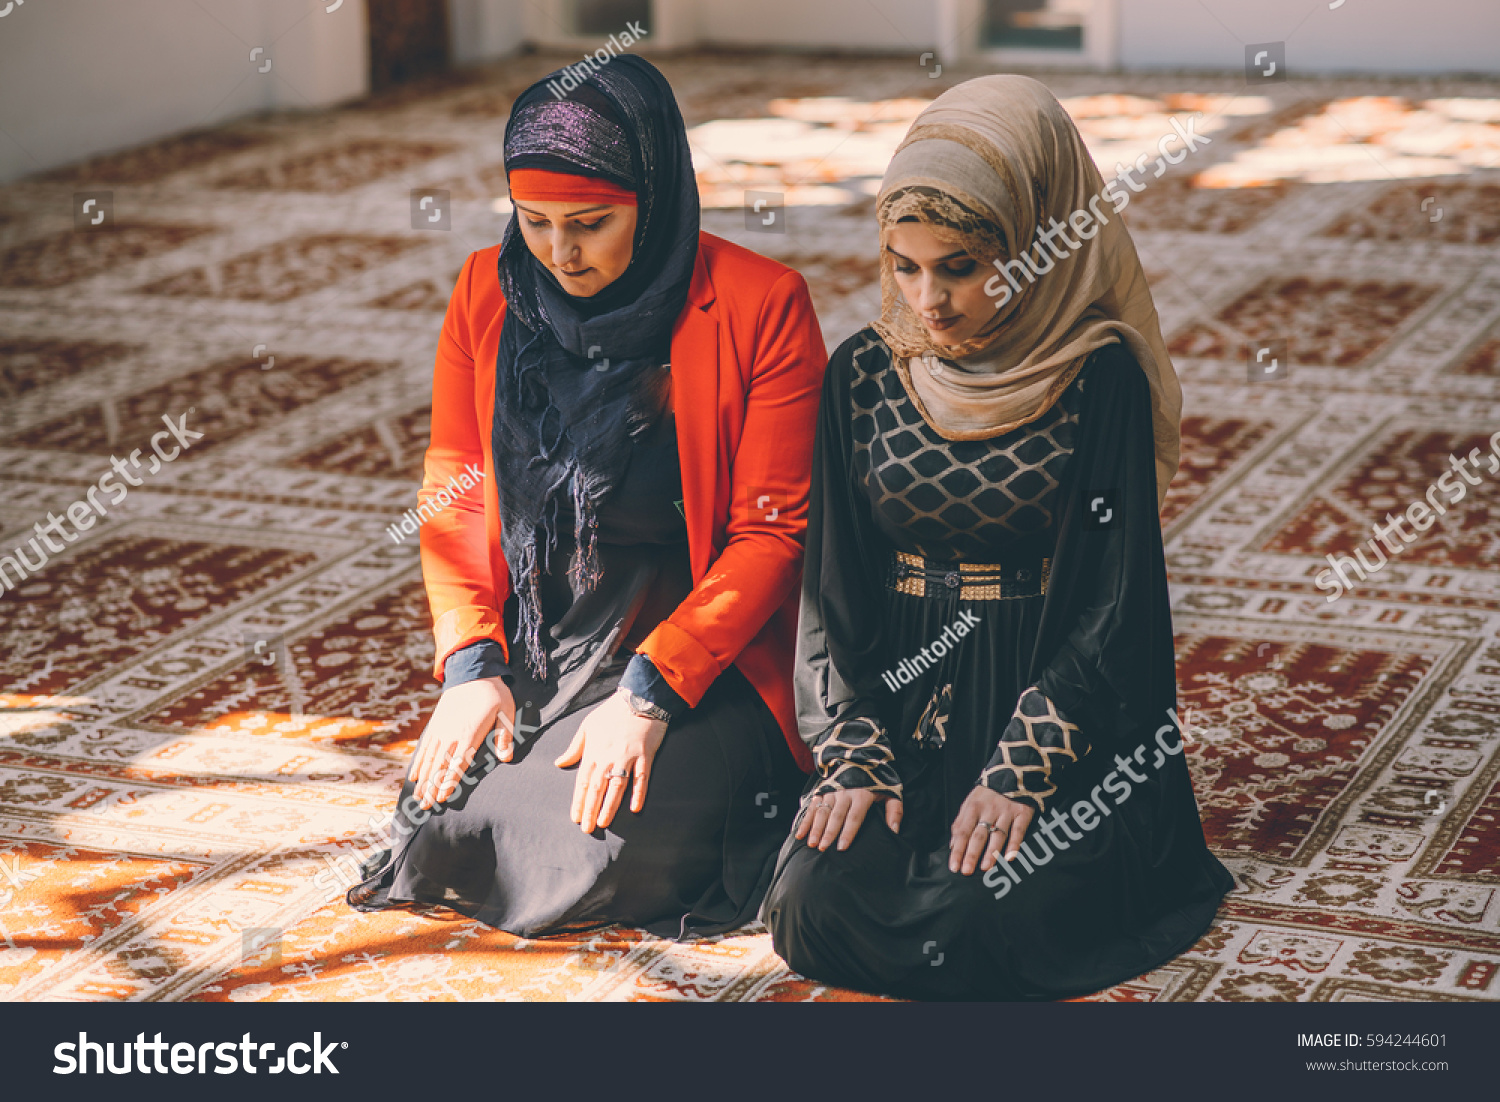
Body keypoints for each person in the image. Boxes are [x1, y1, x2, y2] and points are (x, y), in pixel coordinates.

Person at [761, 75, 1235, 1000]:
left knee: (980, 918)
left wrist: (1022, 769)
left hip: (1055, 700)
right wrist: (855, 748)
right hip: (900, 698)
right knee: (814, 903)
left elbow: (1113, 598)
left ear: (1035, 245)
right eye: (904, 265)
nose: (928, 301)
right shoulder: (864, 372)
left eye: (963, 266)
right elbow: (835, 586)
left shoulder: (1100, 381)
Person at [349, 56, 826, 940]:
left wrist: (649, 694)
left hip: (704, 662)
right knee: (442, 825)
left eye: (592, 224)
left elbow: (774, 533)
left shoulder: (763, 306)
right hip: (552, 640)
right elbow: (452, 495)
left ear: (654, 197)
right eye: (534, 222)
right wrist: (470, 668)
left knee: (591, 842)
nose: (560, 253)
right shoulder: (485, 294)